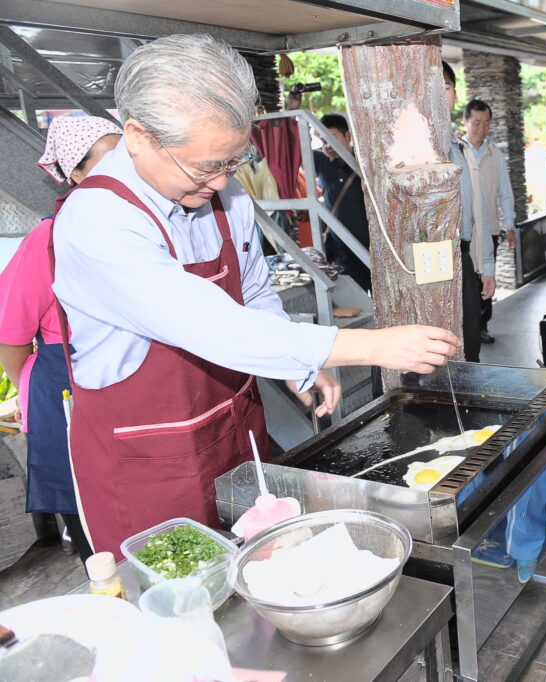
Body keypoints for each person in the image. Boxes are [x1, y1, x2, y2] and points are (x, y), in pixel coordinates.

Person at [50, 34, 458, 558]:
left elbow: (253, 290)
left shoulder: (222, 190)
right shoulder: (97, 222)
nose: (221, 183)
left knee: (260, 578)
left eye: (233, 161)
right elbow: (210, 325)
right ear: (137, 136)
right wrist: (371, 347)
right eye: (205, 167)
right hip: (145, 462)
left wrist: (297, 363)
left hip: (234, 431)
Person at [0, 115, 121, 564]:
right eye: (110, 161)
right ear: (75, 174)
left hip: (126, 385)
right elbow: (10, 335)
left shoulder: (141, 229)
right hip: (66, 391)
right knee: (97, 533)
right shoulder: (47, 240)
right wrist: (38, 382)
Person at [442, 62, 493, 362]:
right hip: (431, 267)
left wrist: (486, 266)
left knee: (469, 347)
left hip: (462, 259)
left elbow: (479, 214)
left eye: (446, 87)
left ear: (455, 94)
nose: (440, 93)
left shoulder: (460, 149)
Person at [461, 99, 514, 346]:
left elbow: (505, 193)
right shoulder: (458, 152)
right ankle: (466, 326)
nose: (482, 127)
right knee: (467, 281)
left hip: (489, 227)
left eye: (486, 122)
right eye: (476, 122)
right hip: (465, 232)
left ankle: (481, 325)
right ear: (465, 122)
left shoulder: (496, 155)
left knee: (486, 277)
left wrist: (510, 224)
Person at [312, 113, 371, 292]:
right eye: (323, 140)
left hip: (370, 249)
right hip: (341, 253)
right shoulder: (322, 163)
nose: (327, 145)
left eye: (332, 137)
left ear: (348, 136)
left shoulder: (365, 163)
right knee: (354, 306)